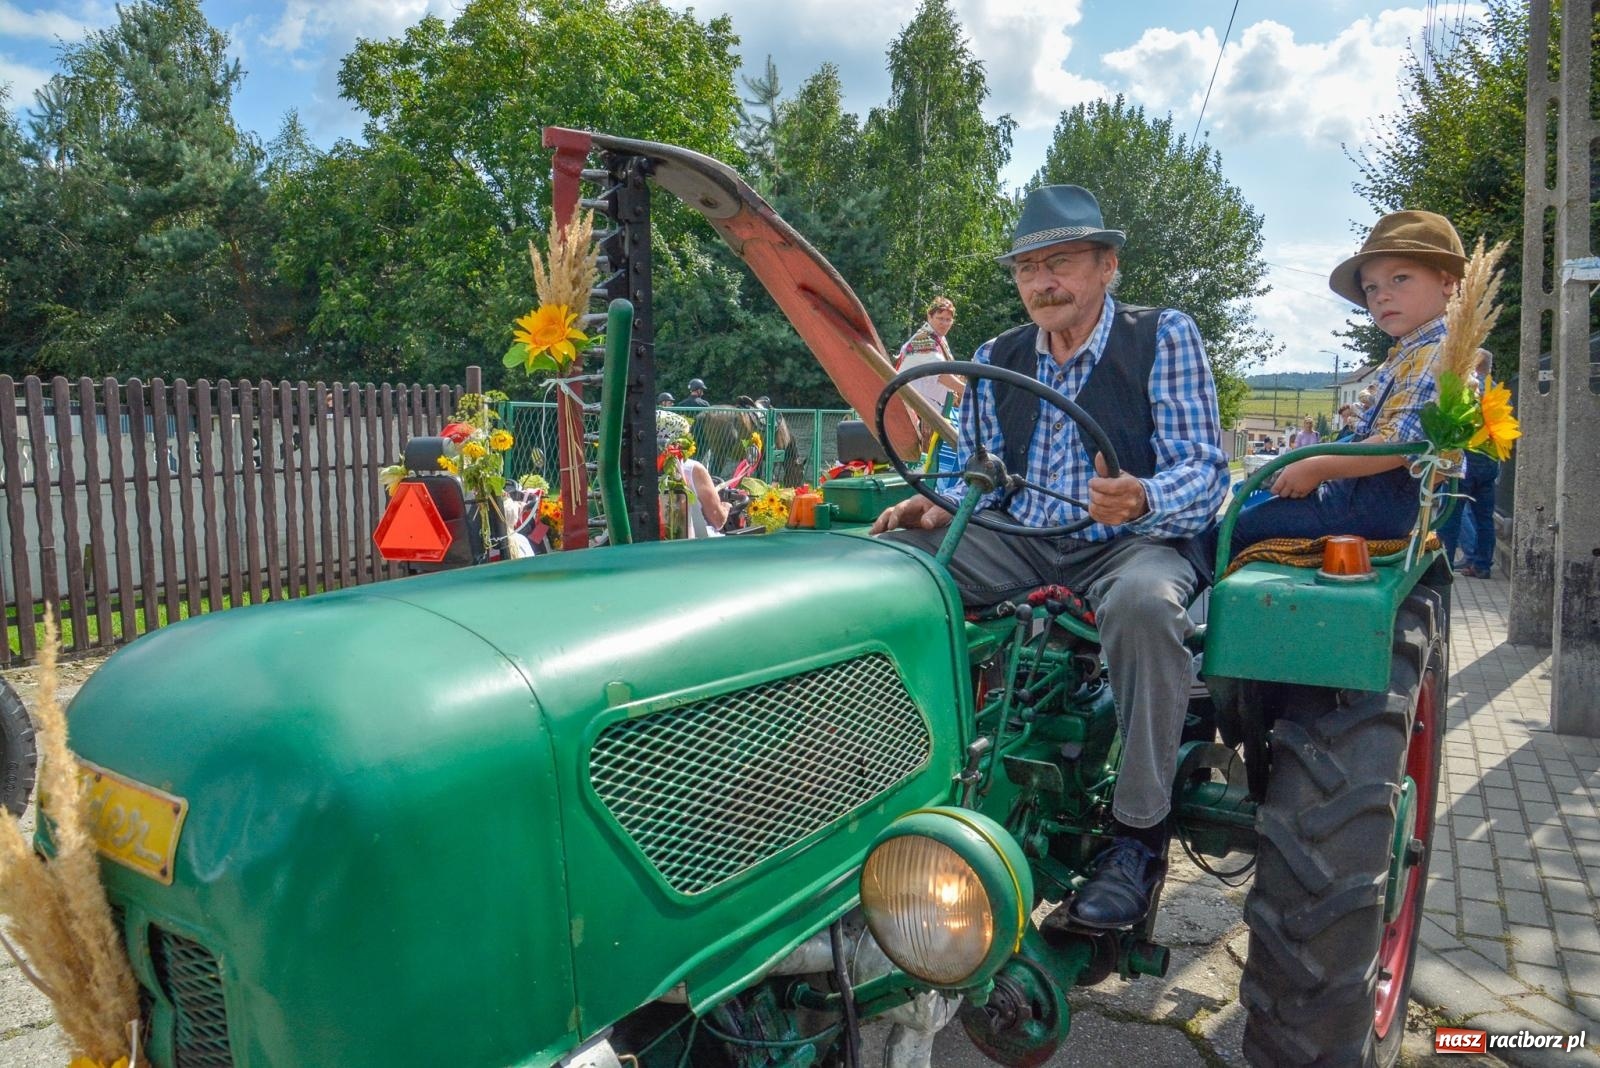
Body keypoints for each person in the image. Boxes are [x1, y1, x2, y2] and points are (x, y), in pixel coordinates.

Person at [870, 184, 1228, 930]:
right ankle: (897, 784)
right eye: (1028, 270)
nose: (1042, 283)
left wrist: (1141, 497)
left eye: (1060, 263)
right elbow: (976, 466)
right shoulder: (998, 355)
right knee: (894, 570)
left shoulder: (1162, 337)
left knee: (1144, 607)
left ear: (1107, 266)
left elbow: (1204, 469)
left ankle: (1136, 838)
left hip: (1130, 544)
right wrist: (934, 502)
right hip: (1022, 541)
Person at [1221, 210, 1467, 554]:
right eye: (1371, 288)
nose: (1381, 296)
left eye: (1400, 279)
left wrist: (1318, 466)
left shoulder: (1437, 354)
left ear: (1447, 282)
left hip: (1365, 510)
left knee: (1232, 531)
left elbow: (1402, 444)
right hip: (1359, 501)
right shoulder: (1409, 352)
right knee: (1251, 509)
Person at [1437, 348, 1501, 577]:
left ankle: (1442, 566)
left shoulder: (1469, 387)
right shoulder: (1497, 390)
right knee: (1485, 518)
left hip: (1465, 455)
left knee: (1450, 513)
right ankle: (1482, 566)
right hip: (1491, 459)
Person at [658, 410, 728, 536]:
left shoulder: (637, 471)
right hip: (694, 544)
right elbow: (717, 520)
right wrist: (726, 507)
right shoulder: (693, 469)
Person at [896, 297, 965, 418]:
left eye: (948, 319)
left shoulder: (938, 338)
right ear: (929, 316)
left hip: (931, 409)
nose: (944, 323)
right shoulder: (922, 340)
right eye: (940, 318)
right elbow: (941, 375)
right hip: (914, 412)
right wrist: (970, 391)